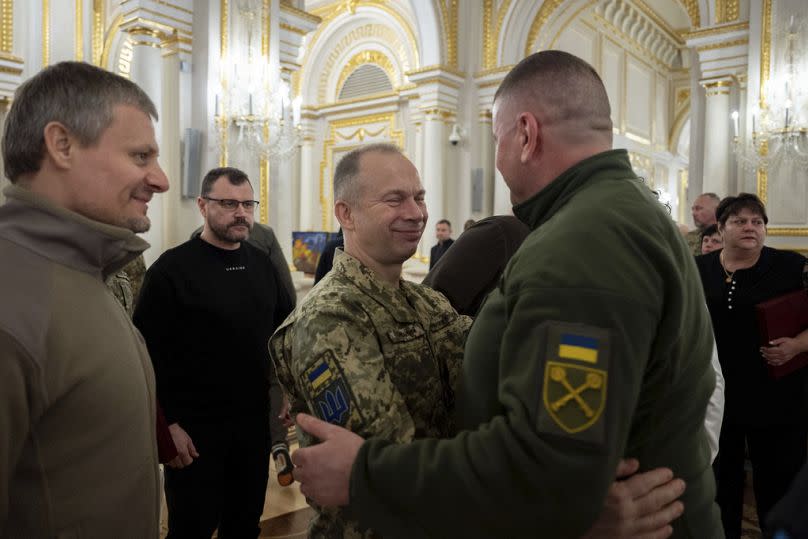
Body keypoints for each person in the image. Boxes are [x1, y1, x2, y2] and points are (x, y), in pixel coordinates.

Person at [288, 50, 722, 538]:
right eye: (394, 199)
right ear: (346, 214)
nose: (415, 213)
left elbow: (549, 462)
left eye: (420, 197)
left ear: (525, 134)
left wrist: (564, 505)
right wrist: (565, 506)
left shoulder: (582, 241)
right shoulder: (616, 218)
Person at [0, 61, 168, 536]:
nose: (161, 180)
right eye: (140, 157)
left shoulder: (84, 272)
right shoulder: (12, 295)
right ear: (62, 145)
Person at [134, 167, 293, 538]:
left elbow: (285, 333)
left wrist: (288, 387)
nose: (241, 213)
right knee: (192, 529)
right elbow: (143, 356)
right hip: (193, 435)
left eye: (247, 204)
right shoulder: (170, 271)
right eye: (228, 204)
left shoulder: (262, 264)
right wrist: (166, 426)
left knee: (244, 526)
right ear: (203, 206)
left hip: (252, 429)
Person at [695, 193, 808, 539]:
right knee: (719, 480)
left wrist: (798, 345)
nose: (750, 228)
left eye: (757, 222)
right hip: (718, 393)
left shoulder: (791, 266)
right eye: (740, 221)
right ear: (721, 227)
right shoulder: (700, 268)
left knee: (778, 480)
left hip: (777, 396)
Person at [422, 215, 529, 316]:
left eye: (443, 230)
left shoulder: (499, 230)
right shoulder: (434, 249)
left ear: (450, 231)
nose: (440, 233)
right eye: (438, 230)